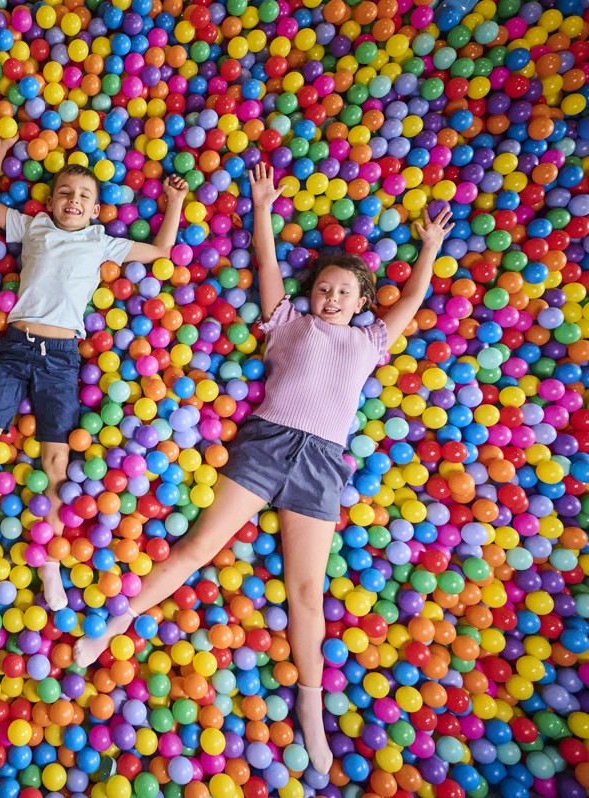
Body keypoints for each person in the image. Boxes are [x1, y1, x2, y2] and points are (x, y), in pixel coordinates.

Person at [73, 163, 454, 775]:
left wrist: (429, 249)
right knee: (196, 549)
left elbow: (410, 300)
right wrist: (260, 205)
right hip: (266, 446)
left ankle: (310, 705)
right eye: (323, 289)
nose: (330, 299)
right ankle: (109, 628)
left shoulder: (369, 342)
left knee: (308, 594)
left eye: (343, 293)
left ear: (361, 303)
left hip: (322, 465)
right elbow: (265, 265)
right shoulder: (287, 323)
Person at [0, 133, 189, 611]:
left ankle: (49, 562)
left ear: (96, 211)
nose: (74, 201)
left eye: (84, 197)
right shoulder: (33, 227)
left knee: (55, 462)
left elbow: (160, 251)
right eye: (66, 194)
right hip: (14, 348)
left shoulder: (101, 242)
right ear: (50, 202)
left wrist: (173, 201)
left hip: (61, 357)